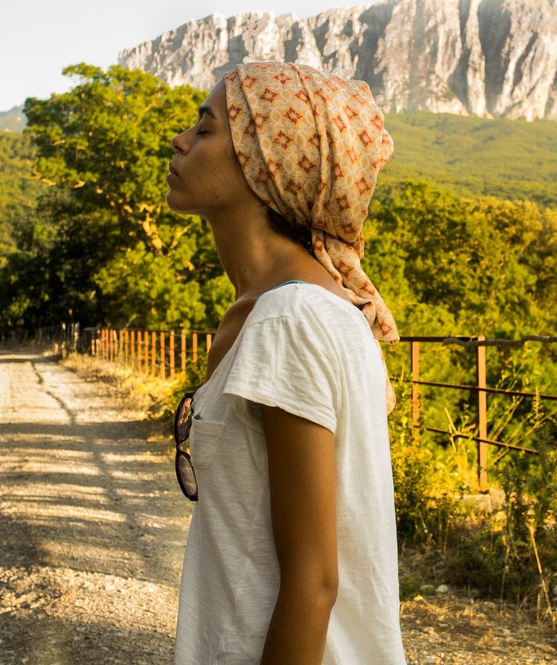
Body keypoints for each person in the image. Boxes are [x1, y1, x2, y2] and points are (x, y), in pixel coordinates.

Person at [165, 62, 406, 665]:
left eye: (206, 127)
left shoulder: (290, 318)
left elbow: (314, 582)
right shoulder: (298, 308)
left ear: (263, 162)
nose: (181, 141)